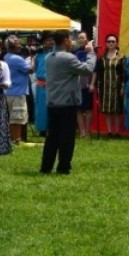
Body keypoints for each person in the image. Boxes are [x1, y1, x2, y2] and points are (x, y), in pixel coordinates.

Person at [41, 31, 98, 174]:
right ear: (65, 40)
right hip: (67, 103)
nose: (72, 41)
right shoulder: (67, 58)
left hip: (53, 102)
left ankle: (46, 166)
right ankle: (63, 167)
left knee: (52, 137)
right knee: (67, 137)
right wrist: (91, 53)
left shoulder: (49, 57)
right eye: (70, 39)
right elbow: (88, 69)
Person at [93, 35, 126, 138]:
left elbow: (124, 73)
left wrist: (123, 86)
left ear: (116, 43)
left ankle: (116, 132)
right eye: (109, 41)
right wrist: (94, 85)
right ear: (106, 43)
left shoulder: (121, 57)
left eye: (113, 41)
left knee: (117, 110)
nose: (111, 43)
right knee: (107, 110)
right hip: (104, 86)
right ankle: (109, 131)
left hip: (117, 86)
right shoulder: (101, 58)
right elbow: (97, 72)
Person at [3, 36, 33, 145]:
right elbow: (30, 69)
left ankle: (13, 139)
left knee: (13, 117)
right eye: (18, 44)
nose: (20, 46)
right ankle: (16, 139)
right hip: (18, 92)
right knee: (17, 118)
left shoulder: (6, 57)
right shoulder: (17, 59)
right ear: (12, 46)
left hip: (9, 91)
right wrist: (32, 57)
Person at [33, 33, 55, 137]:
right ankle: (42, 129)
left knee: (53, 107)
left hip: (53, 84)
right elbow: (36, 68)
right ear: (43, 42)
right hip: (41, 84)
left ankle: (52, 128)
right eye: (48, 40)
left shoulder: (56, 54)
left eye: (52, 40)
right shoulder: (38, 55)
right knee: (41, 108)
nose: (50, 42)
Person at [75, 31, 94, 138]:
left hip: (87, 83)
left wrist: (92, 83)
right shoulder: (75, 52)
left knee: (88, 109)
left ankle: (88, 131)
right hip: (77, 84)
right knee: (78, 109)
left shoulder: (91, 52)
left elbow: (94, 69)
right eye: (79, 38)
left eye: (83, 38)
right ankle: (82, 131)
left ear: (87, 39)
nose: (81, 40)